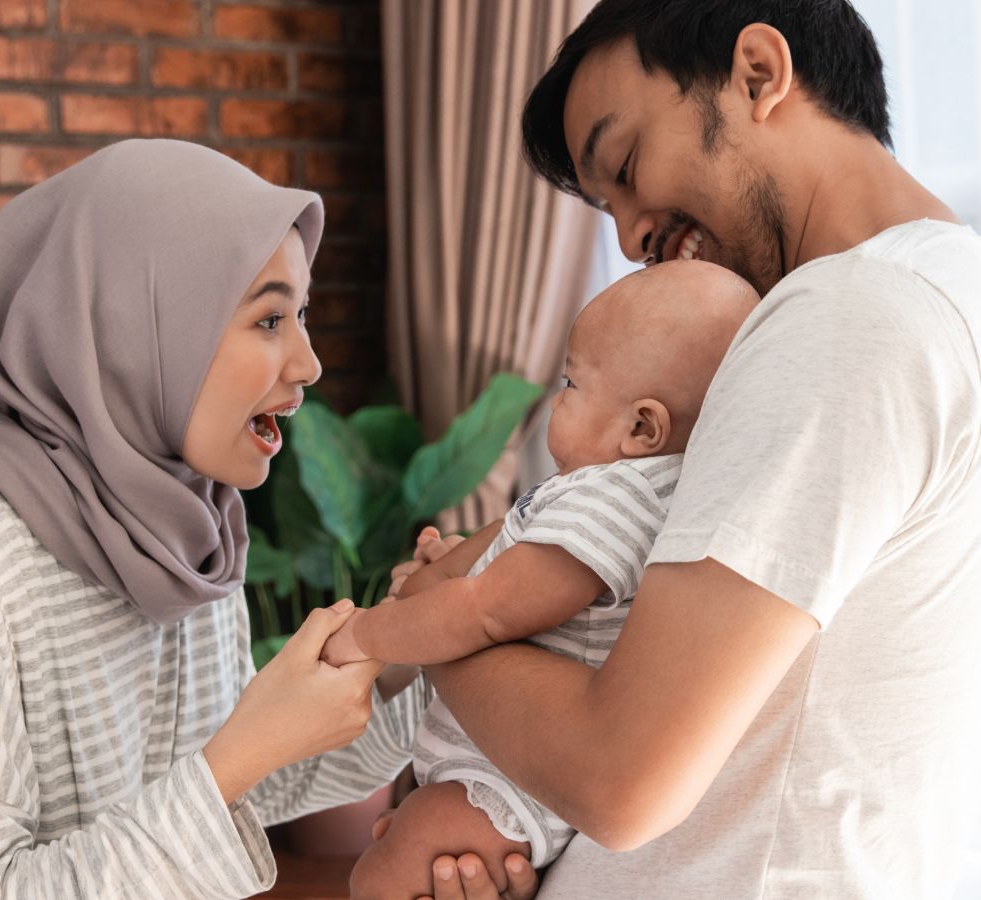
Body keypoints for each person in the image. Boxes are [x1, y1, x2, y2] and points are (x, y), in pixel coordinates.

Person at [380, 2, 981, 897]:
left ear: (759, 73)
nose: (628, 236)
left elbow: (622, 780)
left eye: (626, 165)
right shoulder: (928, 292)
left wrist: (438, 615)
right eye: (603, 205)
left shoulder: (846, 318)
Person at [0, 139, 537, 900]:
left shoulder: (185, 525)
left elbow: (248, 788)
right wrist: (239, 756)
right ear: (136, 324)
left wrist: (415, 646)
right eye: (270, 318)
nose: (307, 363)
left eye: (300, 315)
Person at [323, 262, 758, 898]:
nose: (556, 401)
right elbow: (495, 572)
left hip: (504, 780)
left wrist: (368, 635)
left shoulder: (612, 498)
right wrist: (442, 568)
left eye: (571, 383)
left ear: (642, 428)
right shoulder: (608, 493)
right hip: (496, 758)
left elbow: (486, 611)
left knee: (378, 880)